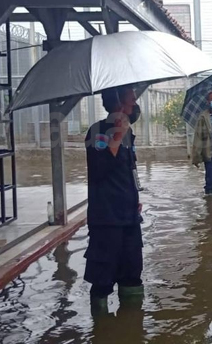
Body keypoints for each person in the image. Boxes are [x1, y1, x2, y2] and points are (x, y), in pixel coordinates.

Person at [84, 86, 145, 313]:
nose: (135, 106)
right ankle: (101, 329)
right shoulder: (98, 131)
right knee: (102, 278)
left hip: (129, 217)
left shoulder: (129, 134)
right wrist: (117, 133)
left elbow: (129, 170)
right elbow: (100, 170)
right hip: (106, 219)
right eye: (132, 100)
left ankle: (131, 327)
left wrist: (134, 196)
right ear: (119, 104)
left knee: (132, 275)